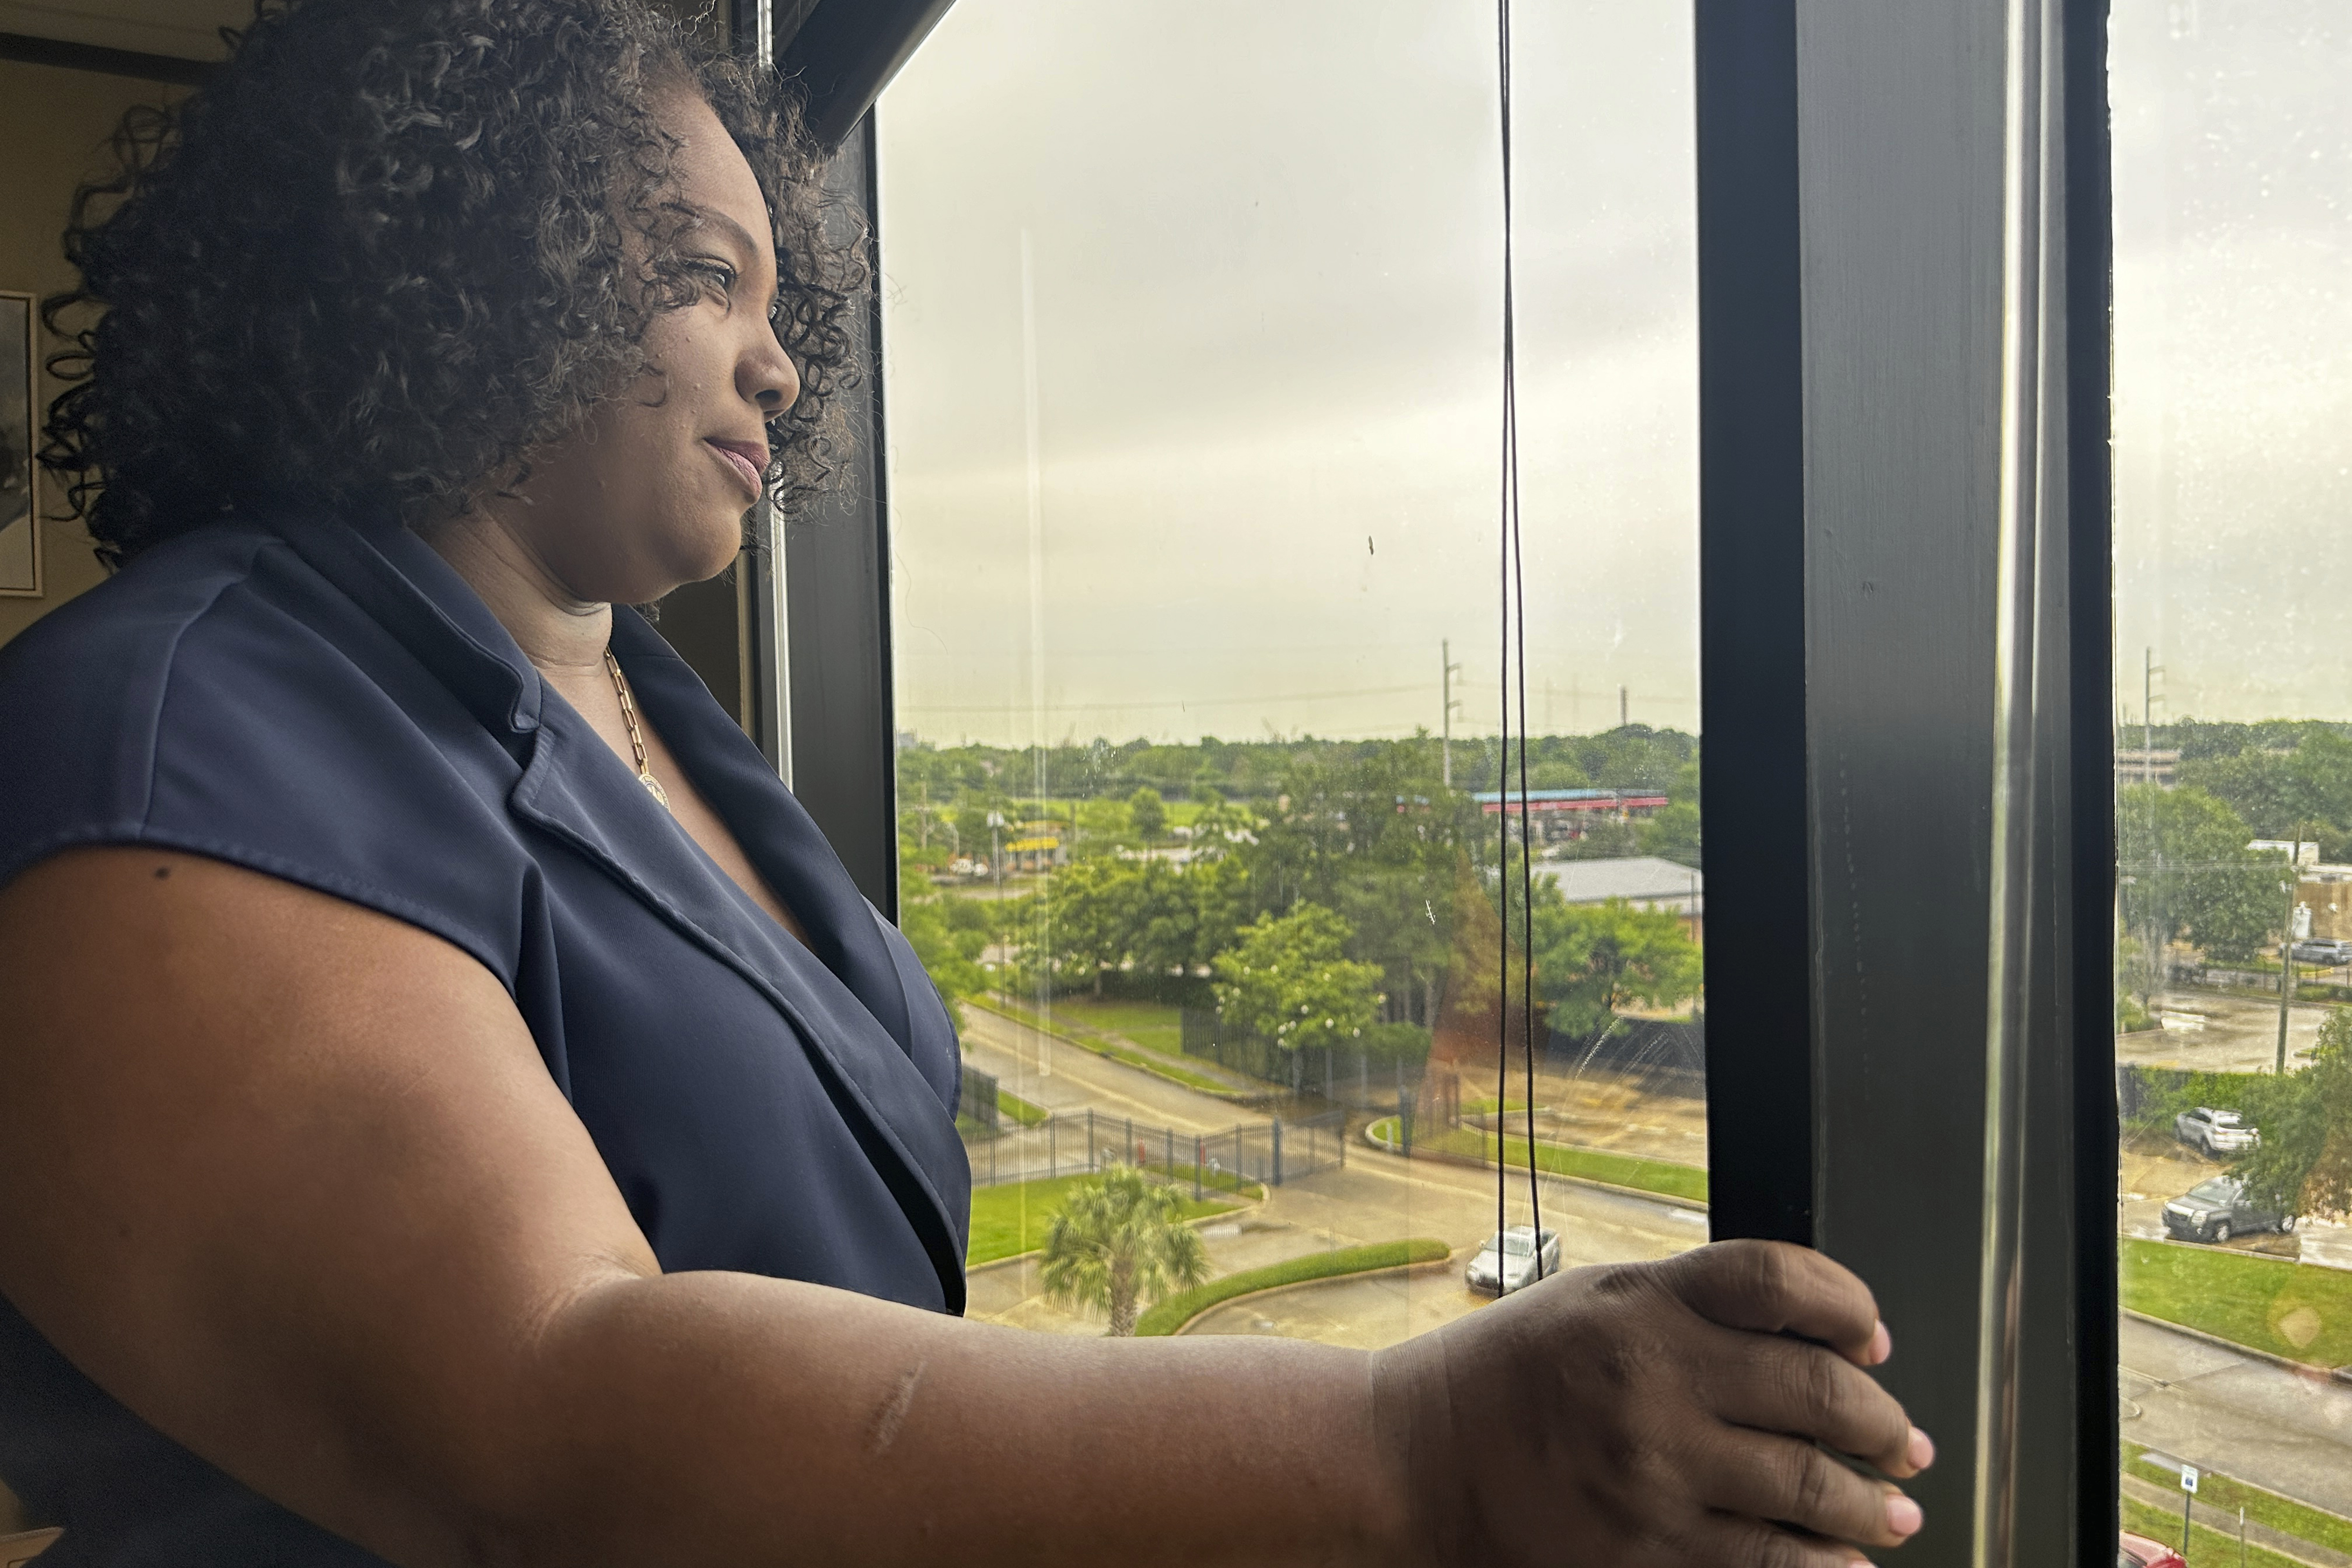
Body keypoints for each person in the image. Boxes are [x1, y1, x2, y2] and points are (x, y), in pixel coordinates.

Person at [0, 2, 1932, 1563]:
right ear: (452, 262)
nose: (775, 366)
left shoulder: (646, 711)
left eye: (785, 305)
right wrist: (1417, 1443)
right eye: (701, 275)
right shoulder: (173, 734)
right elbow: (544, 1414)